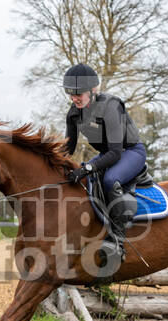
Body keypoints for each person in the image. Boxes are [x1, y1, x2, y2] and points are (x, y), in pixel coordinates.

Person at [63, 63, 146, 263]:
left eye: (79, 94)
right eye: (70, 93)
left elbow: (116, 152)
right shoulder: (73, 114)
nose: (74, 98)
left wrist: (88, 168)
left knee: (109, 180)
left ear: (92, 91)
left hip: (130, 152)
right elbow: (67, 150)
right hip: (107, 155)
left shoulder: (111, 106)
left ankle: (117, 241)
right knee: (81, 181)